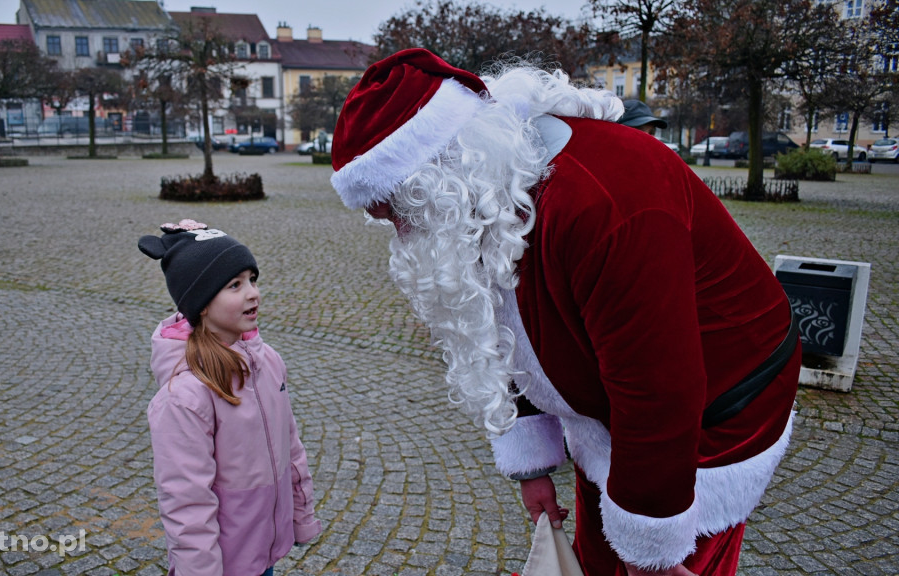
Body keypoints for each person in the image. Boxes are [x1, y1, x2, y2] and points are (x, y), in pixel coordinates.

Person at [329, 49, 799, 576]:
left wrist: (650, 551)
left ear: (446, 167)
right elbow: (494, 331)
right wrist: (531, 466)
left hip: (720, 411)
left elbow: (659, 392)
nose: (400, 230)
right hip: (608, 411)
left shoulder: (609, 201)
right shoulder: (487, 191)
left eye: (400, 208)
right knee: (597, 551)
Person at [138, 219, 321, 576]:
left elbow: (290, 446)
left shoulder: (267, 363)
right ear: (202, 304)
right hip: (223, 563)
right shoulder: (186, 396)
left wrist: (301, 515)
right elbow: (186, 501)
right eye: (234, 285)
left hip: (264, 548)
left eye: (252, 280)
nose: (252, 292)